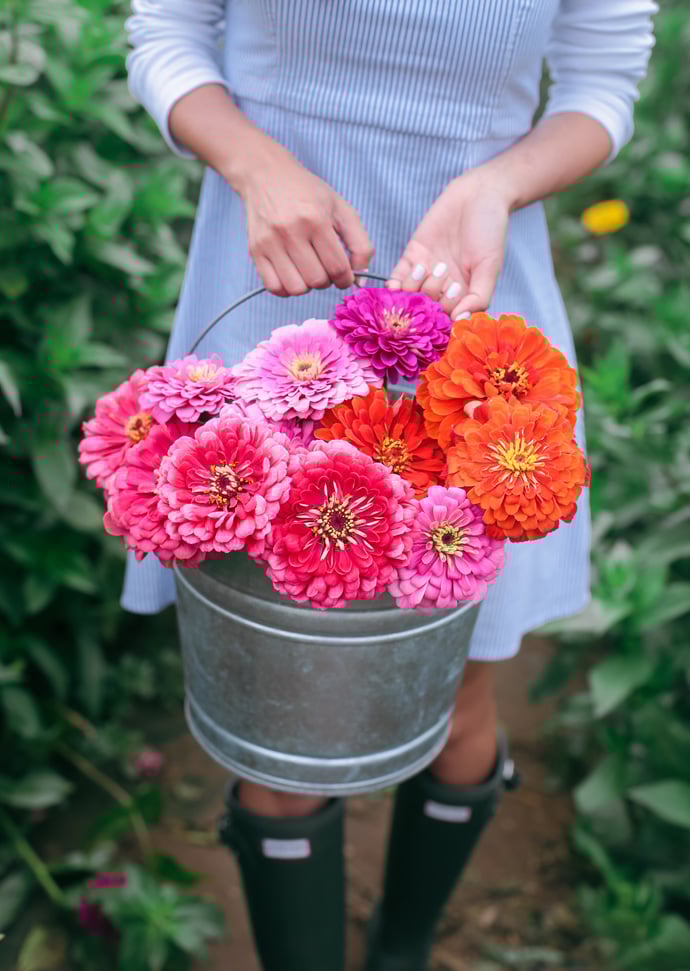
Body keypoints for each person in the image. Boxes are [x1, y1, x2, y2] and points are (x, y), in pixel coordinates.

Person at [123, 2, 657, 968]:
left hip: (474, 302)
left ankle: (400, 950)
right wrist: (253, 160)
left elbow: (600, 87)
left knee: (460, 689)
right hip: (270, 288)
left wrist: (497, 184)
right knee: (275, 716)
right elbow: (164, 31)